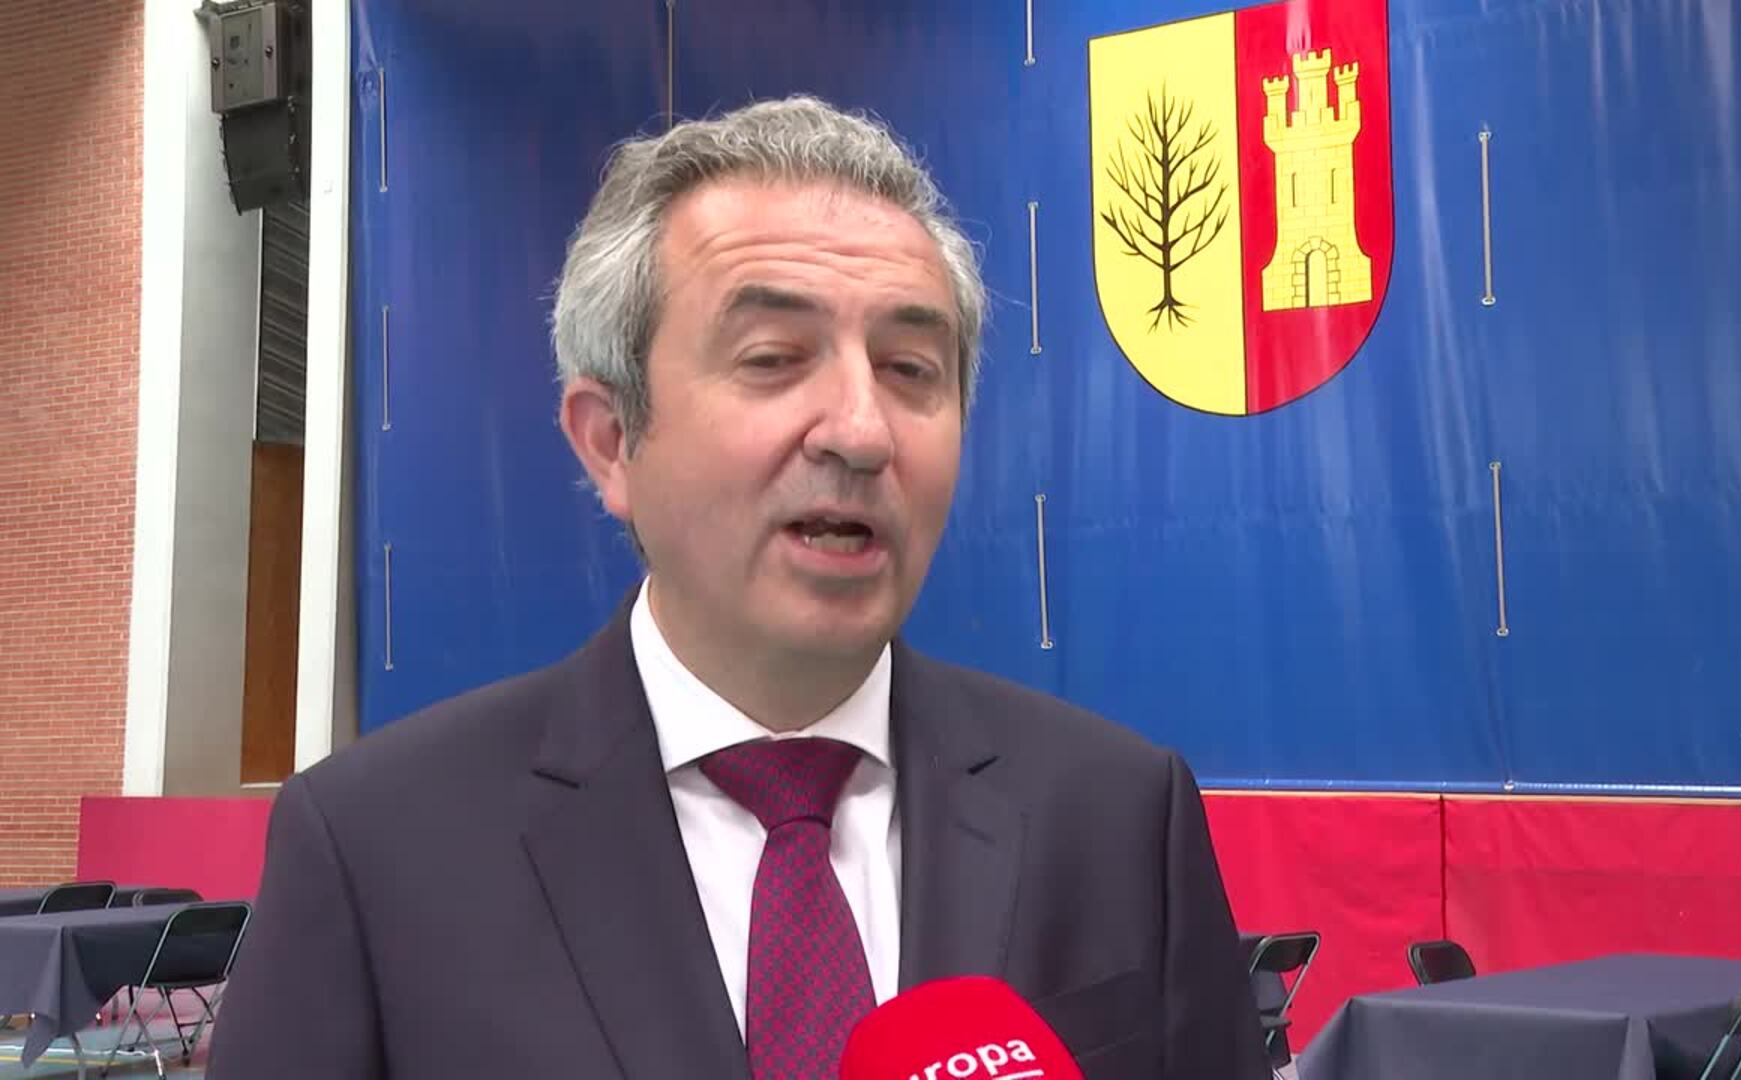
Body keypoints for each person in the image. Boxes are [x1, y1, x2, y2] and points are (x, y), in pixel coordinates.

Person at [210, 96, 1268, 1080]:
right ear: (611, 440)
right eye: (773, 357)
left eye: (911, 369)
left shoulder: (1118, 818)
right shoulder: (379, 851)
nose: (860, 431)